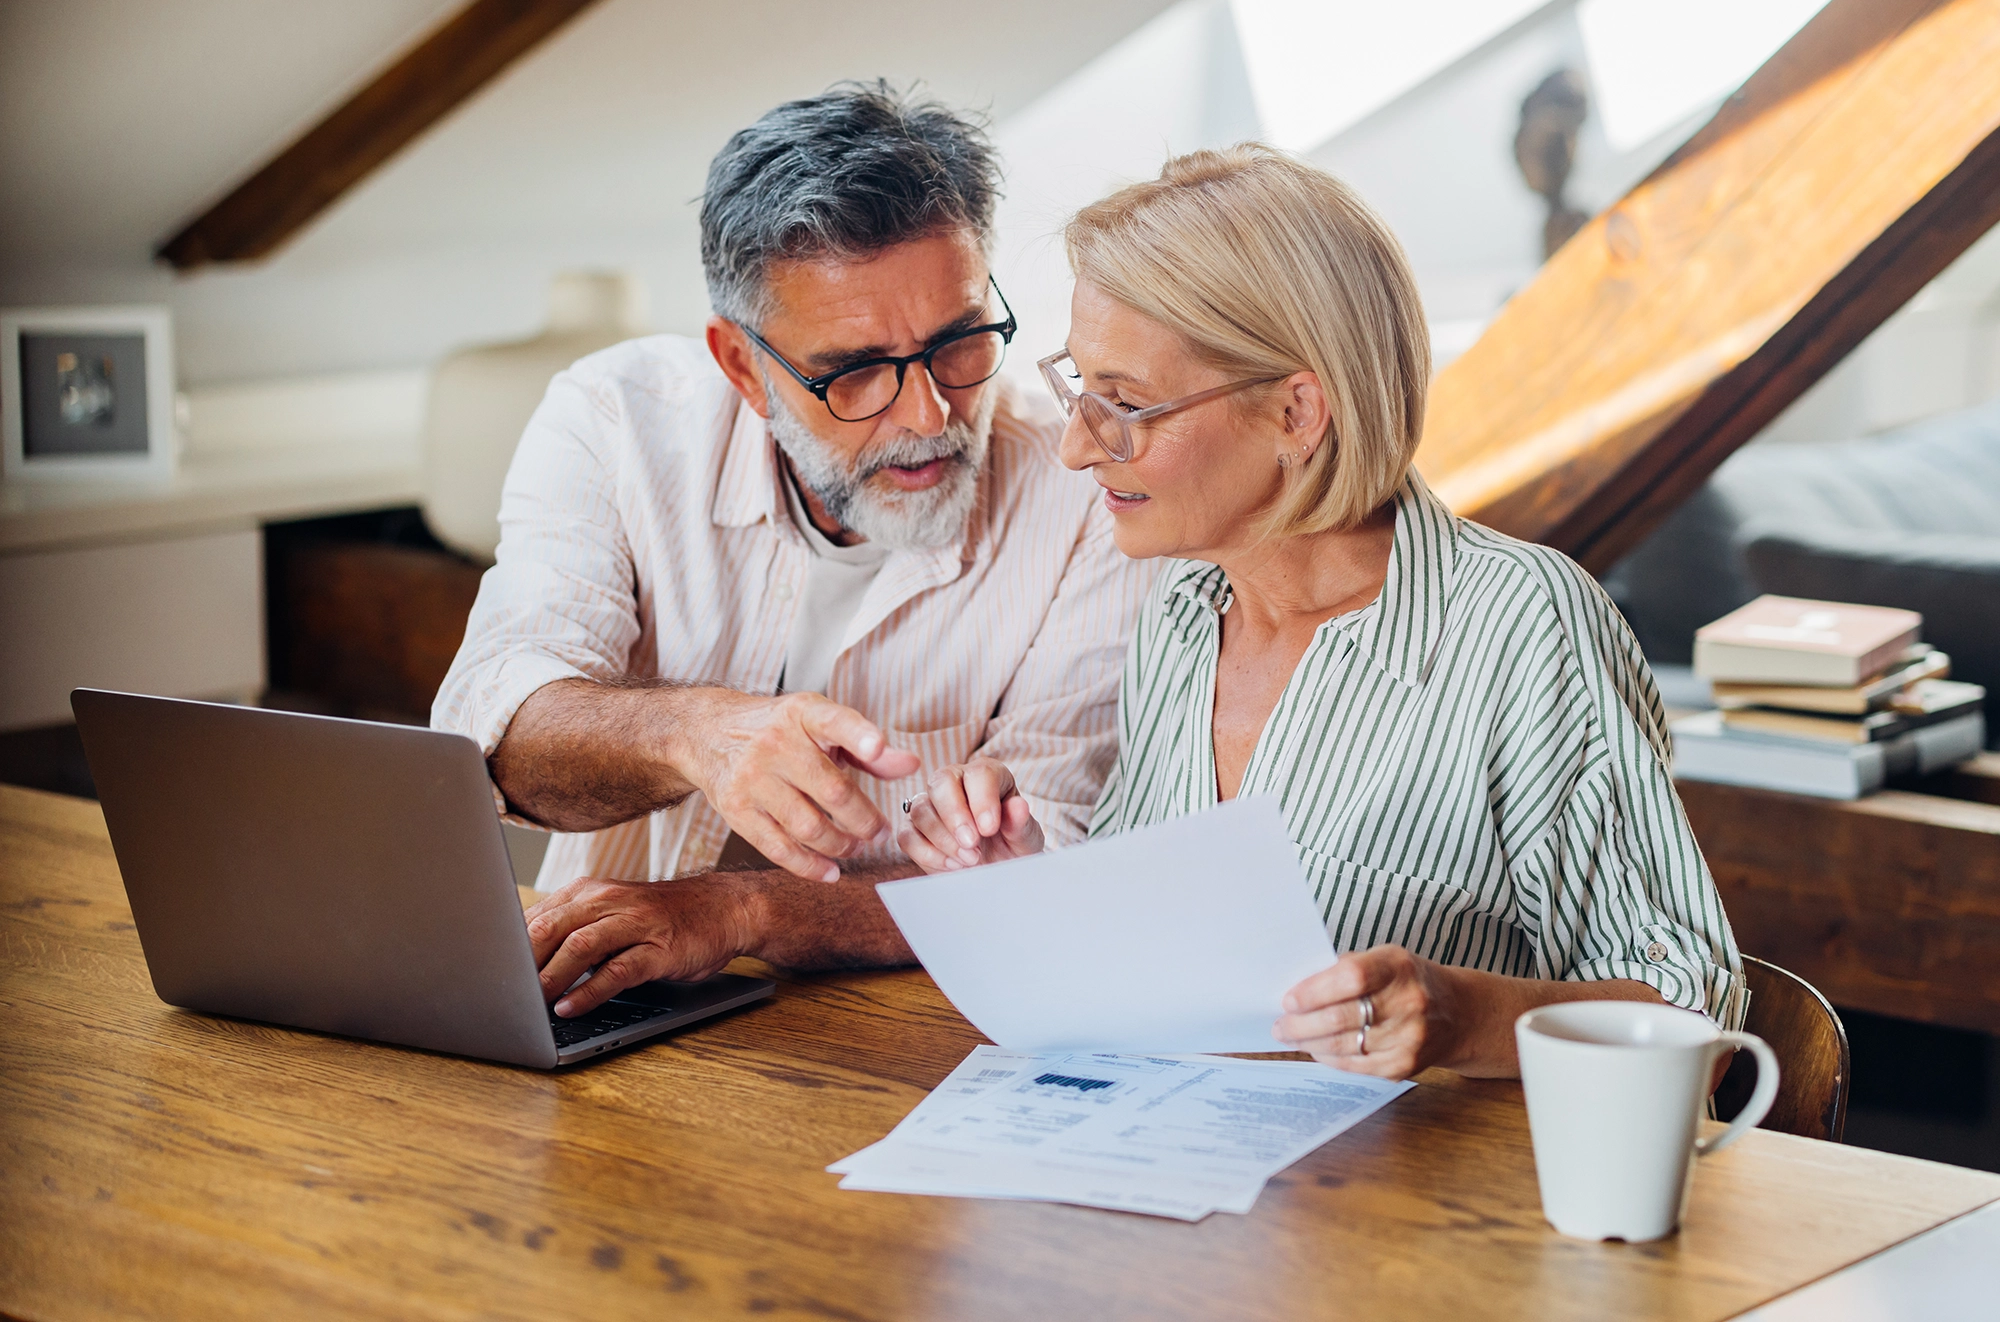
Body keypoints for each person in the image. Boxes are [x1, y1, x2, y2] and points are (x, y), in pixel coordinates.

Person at [901, 145, 1748, 1082]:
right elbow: (1162, 969)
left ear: (1297, 414)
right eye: (1079, 389)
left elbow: (1694, 1024)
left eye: (1125, 404)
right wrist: (1023, 884)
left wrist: (1465, 1019)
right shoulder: (1180, 612)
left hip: (1441, 1175)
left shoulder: (1524, 628)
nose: (1075, 448)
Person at [433, 84, 1152, 1018]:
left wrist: (742, 912)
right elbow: (495, 736)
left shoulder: (1086, 488)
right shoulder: (616, 422)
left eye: (961, 343)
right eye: (855, 372)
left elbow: (1046, 860)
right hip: (602, 1011)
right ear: (743, 366)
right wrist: (695, 732)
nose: (928, 414)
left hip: (923, 1028)